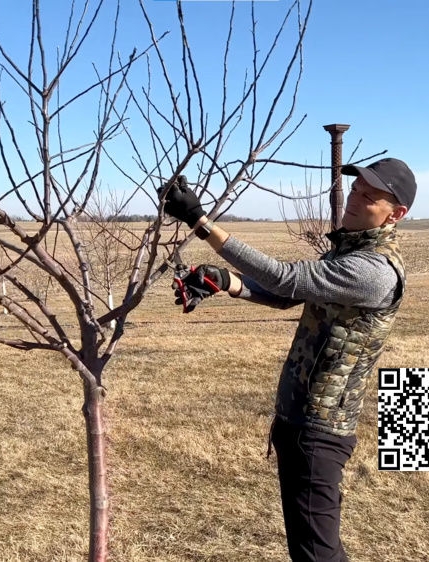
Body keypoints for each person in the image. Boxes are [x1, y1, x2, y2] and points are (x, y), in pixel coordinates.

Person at [158, 158, 416, 562]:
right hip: (302, 423)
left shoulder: (374, 270)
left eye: (369, 195)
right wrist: (226, 282)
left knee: (317, 554)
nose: (354, 198)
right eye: (355, 188)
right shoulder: (347, 254)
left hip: (318, 429)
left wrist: (200, 222)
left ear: (395, 215)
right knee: (313, 548)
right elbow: (285, 296)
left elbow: (287, 277)